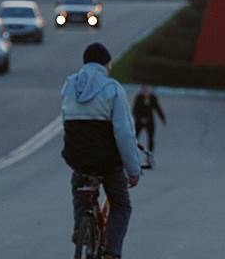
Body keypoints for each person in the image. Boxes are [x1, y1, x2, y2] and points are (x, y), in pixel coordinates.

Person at [61, 43, 141, 259]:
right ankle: (112, 253)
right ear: (106, 64)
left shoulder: (69, 86)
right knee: (121, 205)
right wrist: (133, 170)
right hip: (107, 163)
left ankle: (80, 228)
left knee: (78, 185)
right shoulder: (112, 89)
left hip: (77, 159)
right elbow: (124, 134)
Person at [132, 84, 166, 152]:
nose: (146, 92)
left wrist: (163, 118)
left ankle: (149, 155)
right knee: (135, 138)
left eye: (148, 90)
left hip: (150, 121)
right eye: (144, 90)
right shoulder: (139, 98)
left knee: (151, 138)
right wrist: (140, 119)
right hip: (139, 121)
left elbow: (157, 108)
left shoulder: (153, 98)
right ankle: (133, 152)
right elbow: (135, 110)